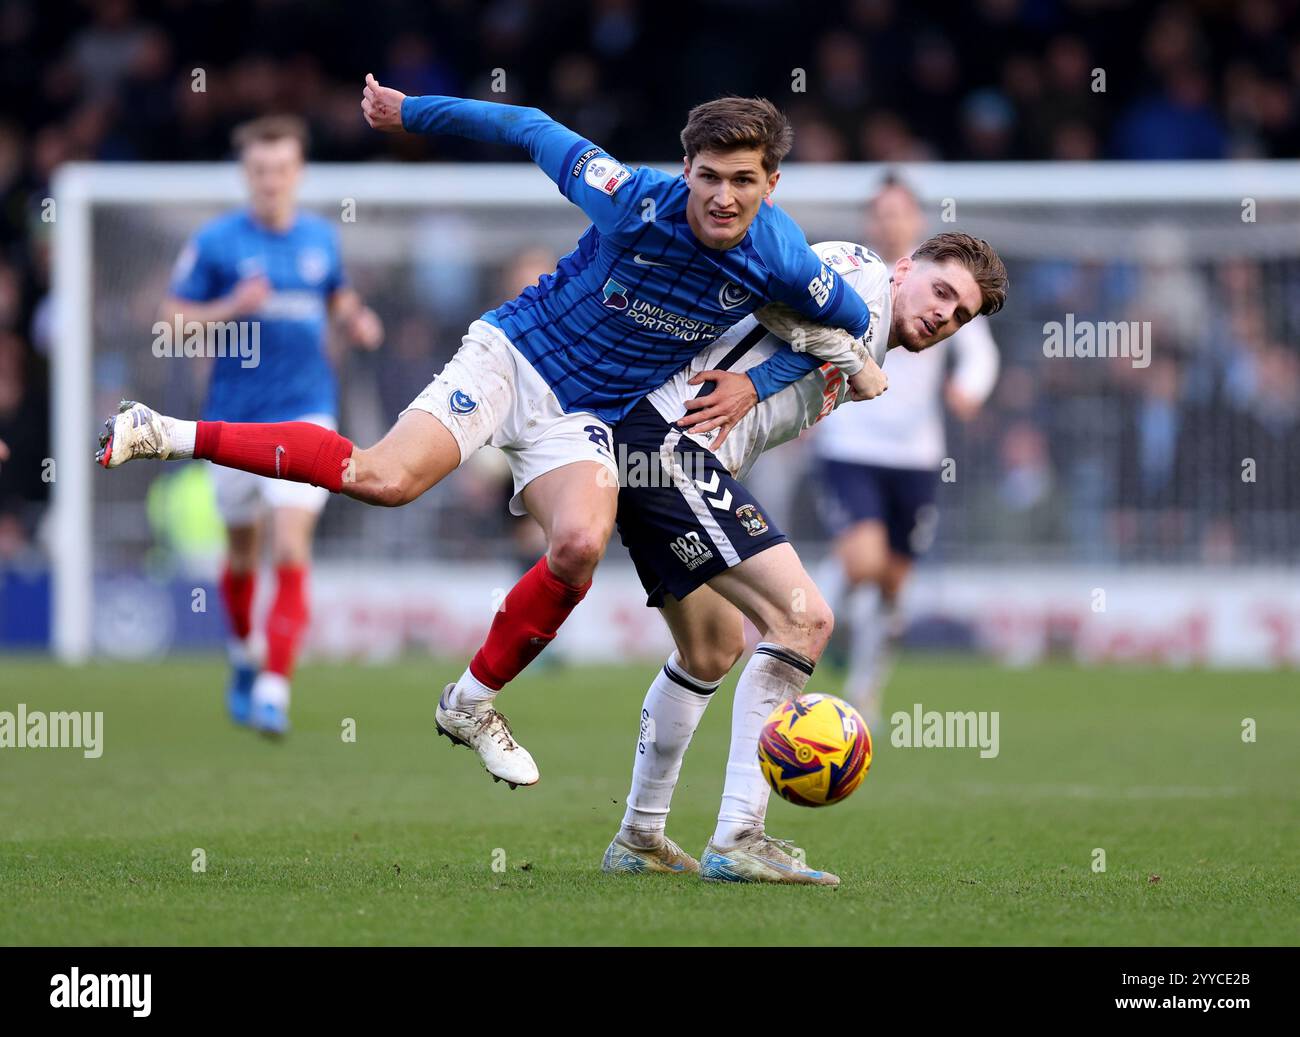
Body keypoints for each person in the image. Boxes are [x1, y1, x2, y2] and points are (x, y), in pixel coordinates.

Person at [98, 81, 887, 783]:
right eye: (707, 177)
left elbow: (841, 333)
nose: (721, 196)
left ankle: (469, 703)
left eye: (742, 181)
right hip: (514, 355)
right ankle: (166, 430)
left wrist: (764, 379)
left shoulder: (786, 259)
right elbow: (531, 126)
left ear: (771, 184)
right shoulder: (630, 196)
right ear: (686, 170)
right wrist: (410, 113)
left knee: (579, 544)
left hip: (588, 417)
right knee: (383, 480)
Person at [603, 234, 1007, 884]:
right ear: (906, 266)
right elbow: (768, 284)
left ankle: (640, 836)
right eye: (940, 291)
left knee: (709, 650)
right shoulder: (861, 276)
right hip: (671, 445)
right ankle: (739, 834)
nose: (943, 315)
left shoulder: (876, 335)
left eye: (959, 314)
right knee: (806, 618)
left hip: (659, 452)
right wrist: (837, 359)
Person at [159, 115, 383, 735]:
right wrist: (231, 307)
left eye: (281, 169)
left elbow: (336, 296)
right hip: (232, 422)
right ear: (246, 174)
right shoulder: (216, 243)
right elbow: (170, 322)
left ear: (298, 172)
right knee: (241, 553)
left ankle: (274, 688)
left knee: (290, 545)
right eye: (259, 171)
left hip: (306, 412)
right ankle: (241, 652)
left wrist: (356, 319)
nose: (271, 181)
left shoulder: (318, 239)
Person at [814, 177, 1000, 730]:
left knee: (893, 583)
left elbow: (980, 353)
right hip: (850, 443)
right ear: (872, 221)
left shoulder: (946, 287)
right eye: (882, 212)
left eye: (901, 212)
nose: (891, 222)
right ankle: (810, 619)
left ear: (916, 220)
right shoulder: (862, 278)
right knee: (862, 562)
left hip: (916, 457)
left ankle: (865, 688)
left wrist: (970, 388)